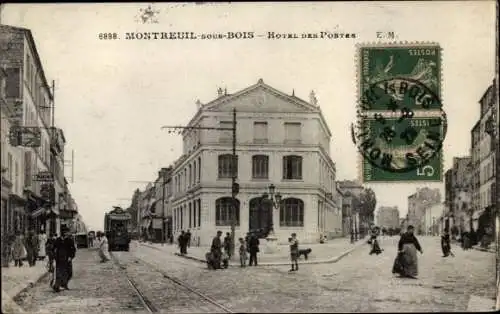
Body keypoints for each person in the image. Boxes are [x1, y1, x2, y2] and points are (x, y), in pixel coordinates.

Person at [52, 227, 76, 292]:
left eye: (67, 232)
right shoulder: (58, 240)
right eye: (66, 232)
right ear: (63, 233)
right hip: (59, 259)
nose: (67, 233)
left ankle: (64, 284)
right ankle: (57, 286)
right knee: (59, 273)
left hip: (67, 258)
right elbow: (53, 249)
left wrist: (71, 257)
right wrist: (54, 257)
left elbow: (73, 249)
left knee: (69, 273)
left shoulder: (70, 240)